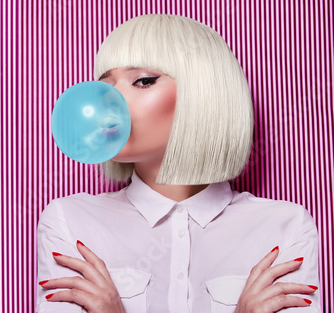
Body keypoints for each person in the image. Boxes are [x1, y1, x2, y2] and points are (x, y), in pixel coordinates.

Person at [36, 14, 321, 313]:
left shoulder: (285, 228)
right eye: (105, 85)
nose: (111, 100)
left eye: (143, 81)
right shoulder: (70, 222)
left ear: (202, 93)